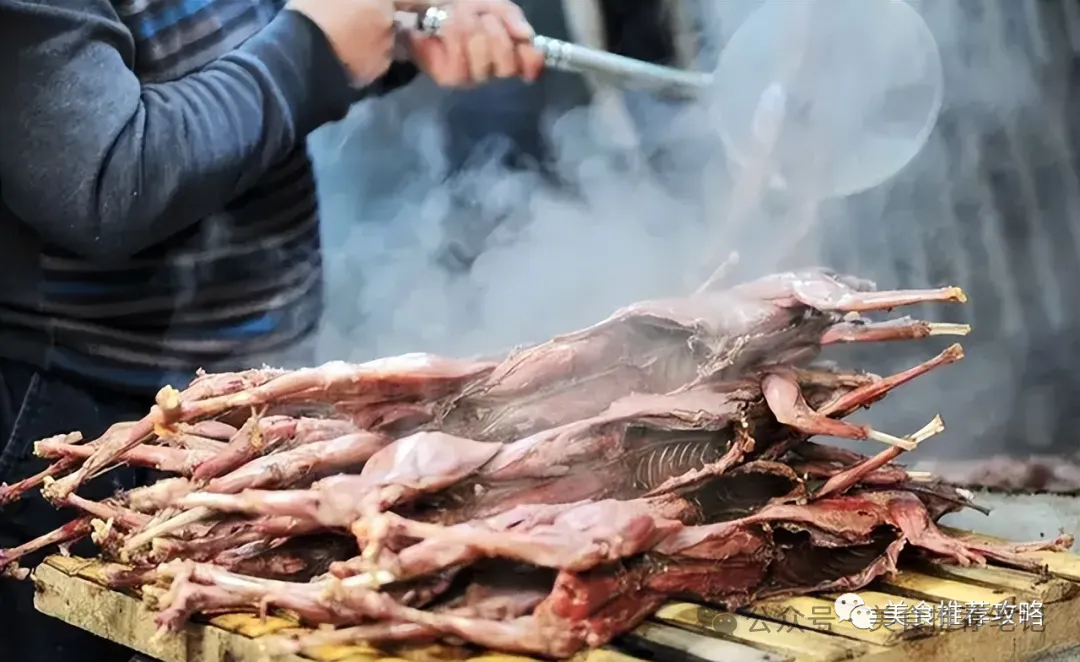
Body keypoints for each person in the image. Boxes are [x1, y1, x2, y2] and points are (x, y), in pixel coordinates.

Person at [0, 0, 544, 660]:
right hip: (80, 425)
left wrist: (391, 31)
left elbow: (213, 34)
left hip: (248, 399)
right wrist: (311, 51)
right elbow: (101, 178)